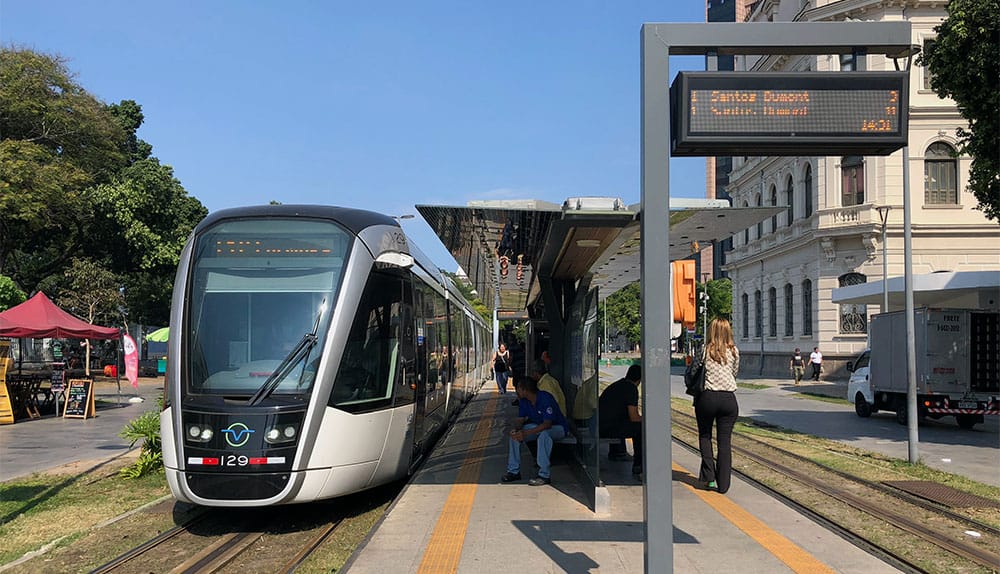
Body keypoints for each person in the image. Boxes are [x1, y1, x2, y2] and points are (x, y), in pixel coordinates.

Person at [695, 318, 740, 494]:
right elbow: (735, 373)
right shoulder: (734, 351)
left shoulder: (705, 350)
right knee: (725, 442)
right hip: (729, 400)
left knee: (705, 435)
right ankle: (724, 484)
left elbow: (694, 370)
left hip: (708, 397)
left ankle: (709, 477)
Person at [501, 377, 567, 486]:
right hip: (537, 426)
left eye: (518, 388)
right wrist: (516, 429)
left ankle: (544, 475)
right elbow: (521, 419)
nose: (517, 390)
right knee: (514, 437)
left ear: (525, 390)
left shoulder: (545, 398)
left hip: (557, 428)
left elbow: (547, 424)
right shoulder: (523, 401)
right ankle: (513, 471)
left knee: (544, 435)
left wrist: (526, 433)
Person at [598, 364, 643, 476]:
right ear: (640, 379)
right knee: (641, 428)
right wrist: (648, 420)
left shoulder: (618, 384)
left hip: (600, 425)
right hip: (608, 429)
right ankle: (639, 465)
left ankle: (617, 452)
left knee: (622, 421)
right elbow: (634, 417)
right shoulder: (631, 389)